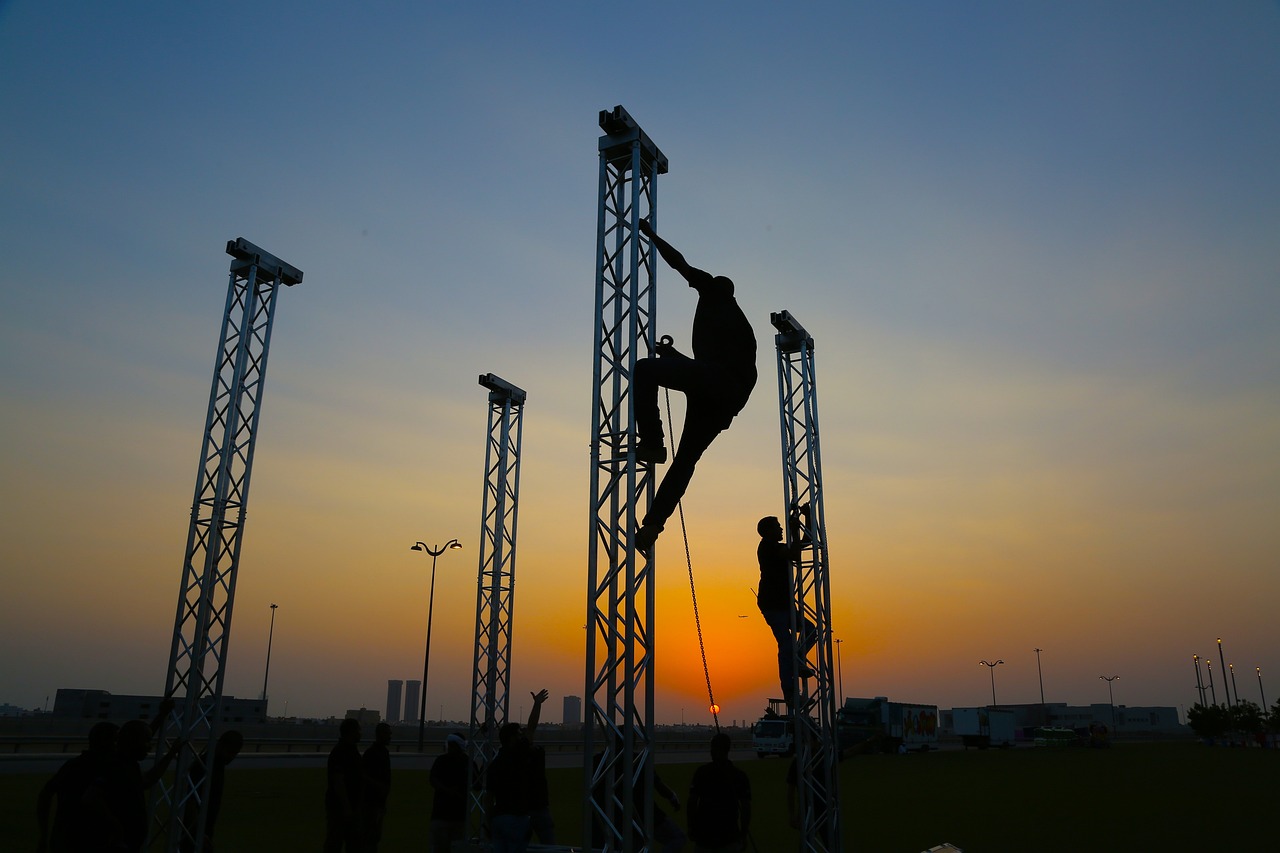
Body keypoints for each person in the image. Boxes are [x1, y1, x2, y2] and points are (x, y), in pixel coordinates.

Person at [632, 218, 757, 556]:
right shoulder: (726, 312)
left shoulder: (719, 300)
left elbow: (679, 263)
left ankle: (654, 441)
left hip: (721, 387)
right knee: (685, 460)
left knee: (644, 370)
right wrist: (677, 358)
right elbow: (713, 369)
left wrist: (650, 233)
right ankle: (652, 528)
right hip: (723, 396)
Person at [83, 717, 182, 852]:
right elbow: (92, 797)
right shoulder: (115, 766)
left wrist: (171, 753)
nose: (149, 746)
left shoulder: (128, 765)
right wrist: (115, 825)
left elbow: (147, 779)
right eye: (146, 741)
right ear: (132, 741)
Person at [757, 506, 818, 704]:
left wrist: (807, 518)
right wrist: (794, 528)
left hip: (784, 604)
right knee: (785, 644)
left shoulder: (776, 547)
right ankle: (790, 692)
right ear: (768, 531)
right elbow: (794, 554)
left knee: (809, 630)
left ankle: (798, 659)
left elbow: (804, 542)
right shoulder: (767, 547)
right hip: (774, 605)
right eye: (778, 527)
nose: (781, 529)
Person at [36, 721, 118, 853]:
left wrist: (44, 835)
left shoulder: (73, 765)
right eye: (116, 740)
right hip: (90, 841)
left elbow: (45, 795)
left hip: (64, 837)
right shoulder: (108, 768)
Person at [687, 732, 751, 853]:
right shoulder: (738, 775)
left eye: (713, 748)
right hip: (728, 836)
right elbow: (745, 807)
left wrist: (691, 827)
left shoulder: (702, 773)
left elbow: (692, 802)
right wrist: (743, 833)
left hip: (707, 837)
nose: (711, 752)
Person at [181, 729, 243, 853]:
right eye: (229, 752)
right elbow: (190, 800)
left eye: (235, 754)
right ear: (220, 745)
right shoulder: (205, 766)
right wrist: (198, 833)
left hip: (202, 830)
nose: (231, 757)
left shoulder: (217, 765)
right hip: (193, 832)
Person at [485, 722, 532, 853]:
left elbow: (488, 798)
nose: (521, 736)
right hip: (516, 818)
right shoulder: (519, 757)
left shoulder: (495, 764)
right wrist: (537, 704)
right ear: (512, 738)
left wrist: (489, 824)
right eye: (518, 734)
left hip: (498, 819)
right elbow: (531, 729)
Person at [324, 718, 364, 852]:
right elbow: (338, 781)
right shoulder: (342, 752)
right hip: (340, 808)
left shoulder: (351, 751)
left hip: (350, 806)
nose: (361, 733)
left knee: (352, 844)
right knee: (335, 843)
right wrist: (346, 806)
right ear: (351, 732)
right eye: (358, 730)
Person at [429, 733, 473, 853]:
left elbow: (433, 779)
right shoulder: (465, 762)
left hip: (453, 816)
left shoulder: (465, 762)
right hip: (447, 816)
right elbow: (433, 780)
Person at [523, 689, 555, 845]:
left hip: (528, 808)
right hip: (533, 808)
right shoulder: (526, 754)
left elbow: (530, 729)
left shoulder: (510, 756)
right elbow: (531, 728)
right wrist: (537, 705)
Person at [361, 723, 392, 852]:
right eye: (388, 733)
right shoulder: (372, 753)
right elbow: (363, 776)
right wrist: (379, 786)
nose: (390, 736)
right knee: (370, 836)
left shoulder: (383, 752)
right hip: (371, 803)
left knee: (375, 836)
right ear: (380, 734)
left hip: (378, 803)